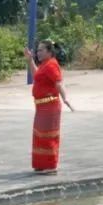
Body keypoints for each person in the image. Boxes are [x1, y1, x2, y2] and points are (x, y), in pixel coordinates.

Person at [24, 40, 74, 174]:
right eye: (37, 50)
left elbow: (59, 83)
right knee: (40, 136)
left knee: (48, 136)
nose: (38, 53)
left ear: (49, 52)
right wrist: (30, 61)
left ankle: (50, 166)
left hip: (50, 106)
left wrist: (65, 97)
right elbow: (37, 77)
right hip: (41, 107)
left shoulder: (51, 65)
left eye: (41, 50)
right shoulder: (44, 65)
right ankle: (41, 164)